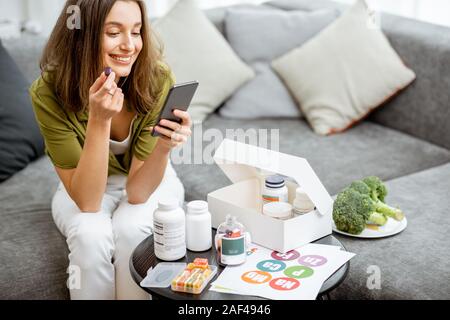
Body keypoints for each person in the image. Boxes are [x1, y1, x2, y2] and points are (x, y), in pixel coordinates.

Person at [29, 0, 192, 300]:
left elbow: (139, 193)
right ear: (82, 36)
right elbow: (89, 201)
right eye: (114, 32)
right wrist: (99, 121)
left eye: (137, 31)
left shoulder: (156, 80)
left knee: (133, 230)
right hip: (82, 183)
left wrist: (164, 148)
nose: (129, 45)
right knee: (90, 236)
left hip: (149, 178)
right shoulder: (48, 92)